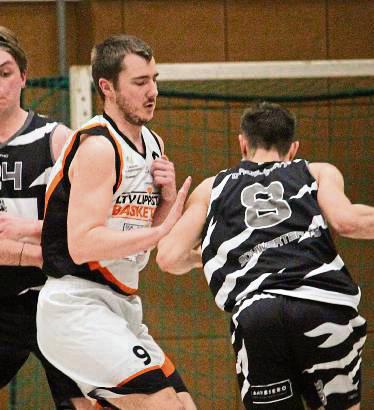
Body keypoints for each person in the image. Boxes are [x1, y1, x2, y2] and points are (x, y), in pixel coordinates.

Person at [157, 102, 373, 410]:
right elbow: (347, 221)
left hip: (258, 314)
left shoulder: (212, 187)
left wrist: (225, 256)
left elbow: (168, 257)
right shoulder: (315, 171)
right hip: (322, 305)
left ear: (242, 142)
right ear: (293, 148)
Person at [36, 34, 196, 410]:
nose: (152, 90)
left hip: (120, 305)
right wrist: (157, 231)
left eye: (154, 79)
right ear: (106, 87)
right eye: (140, 82)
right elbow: (83, 242)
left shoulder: (153, 144)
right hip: (75, 305)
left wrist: (167, 201)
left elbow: (141, 236)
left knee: (185, 405)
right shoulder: (97, 146)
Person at [0, 26, 94, 409]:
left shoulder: (57, 139)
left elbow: (91, 219)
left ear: (23, 76)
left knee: (85, 401)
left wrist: (32, 234)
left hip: (55, 294)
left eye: (5, 73)